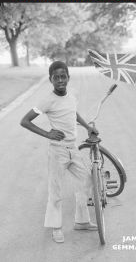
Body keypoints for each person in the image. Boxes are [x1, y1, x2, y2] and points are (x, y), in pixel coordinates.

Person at [20, 61, 98, 243]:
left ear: (68, 78)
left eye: (64, 77)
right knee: (55, 190)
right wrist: (47, 133)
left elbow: (73, 112)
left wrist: (88, 127)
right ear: (51, 80)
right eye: (57, 77)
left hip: (73, 149)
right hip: (58, 151)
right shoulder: (48, 100)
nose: (61, 80)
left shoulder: (71, 96)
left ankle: (82, 221)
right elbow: (25, 121)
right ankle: (56, 227)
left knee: (86, 180)